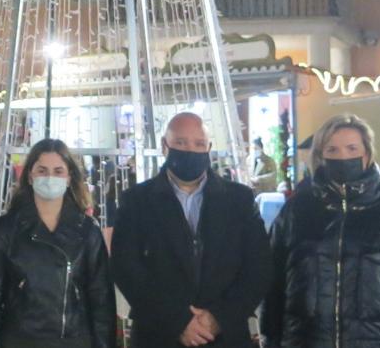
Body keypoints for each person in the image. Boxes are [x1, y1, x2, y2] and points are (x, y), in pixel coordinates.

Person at [261, 114, 380, 348]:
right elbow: (273, 285)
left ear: (367, 154)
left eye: (352, 148)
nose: (343, 156)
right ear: (320, 156)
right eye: (332, 150)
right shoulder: (296, 211)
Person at [113, 113, 271, 348]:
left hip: (225, 336)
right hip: (159, 335)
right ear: (164, 146)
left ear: (208, 148)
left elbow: (259, 267)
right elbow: (127, 268)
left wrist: (217, 318)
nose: (190, 150)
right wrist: (178, 322)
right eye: (181, 143)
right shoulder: (136, 201)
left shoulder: (239, 199)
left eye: (198, 144)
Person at [0, 138, 115, 348]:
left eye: (58, 171)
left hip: (74, 339)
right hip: (20, 339)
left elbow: (101, 300)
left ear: (69, 177)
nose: (50, 177)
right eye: (42, 170)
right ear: (30, 176)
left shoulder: (87, 230)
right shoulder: (7, 229)